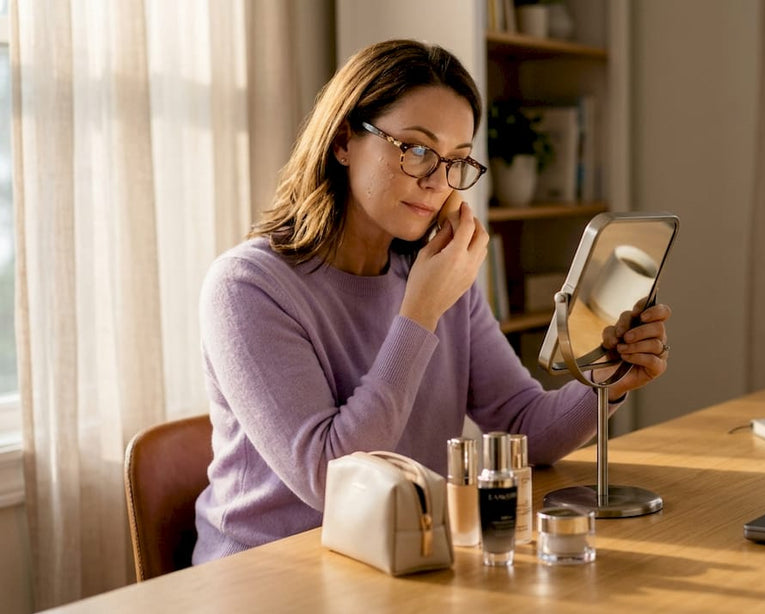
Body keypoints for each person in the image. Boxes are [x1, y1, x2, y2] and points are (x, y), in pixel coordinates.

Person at [193, 39, 672, 564]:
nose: (437, 181)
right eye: (417, 149)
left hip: (406, 559)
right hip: (270, 574)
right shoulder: (246, 287)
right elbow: (332, 482)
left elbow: (521, 426)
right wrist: (419, 312)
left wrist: (608, 381)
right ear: (344, 140)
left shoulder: (434, 276)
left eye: (457, 161)